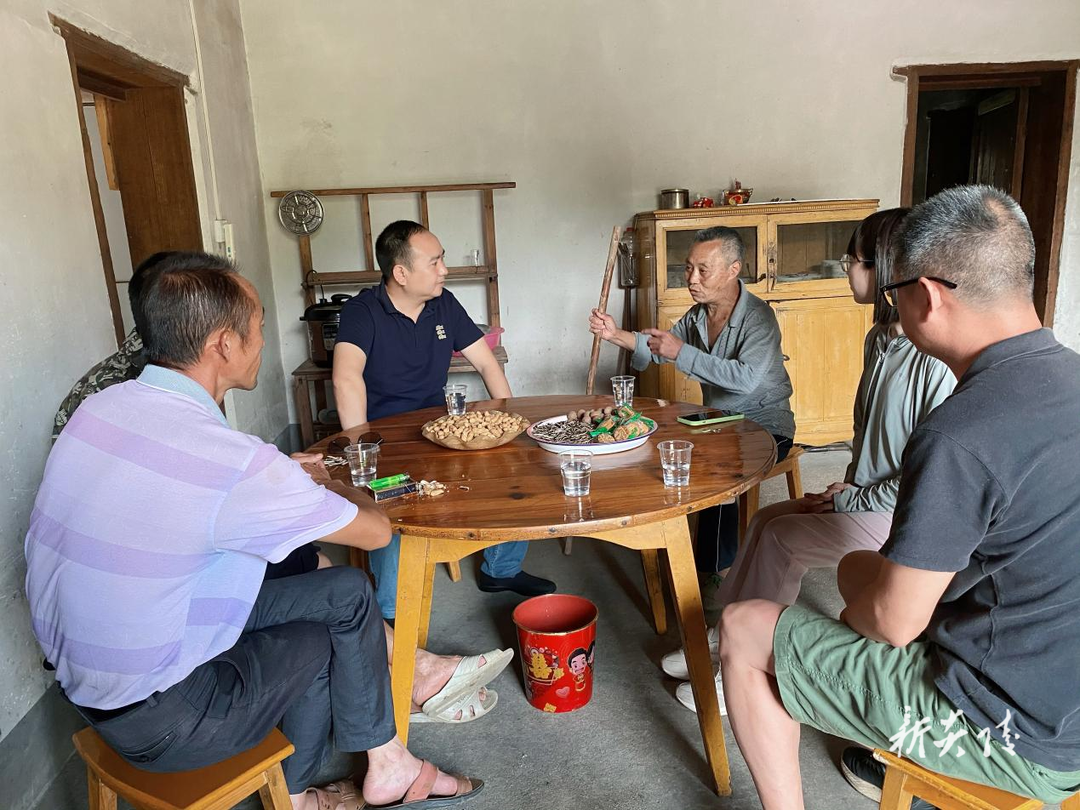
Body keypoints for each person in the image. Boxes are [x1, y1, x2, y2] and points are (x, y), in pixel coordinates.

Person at [27, 252, 499, 809]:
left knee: (338, 588)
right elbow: (375, 533)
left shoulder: (98, 409)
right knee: (325, 631)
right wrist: (328, 481)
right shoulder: (234, 460)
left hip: (87, 688)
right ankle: (315, 790)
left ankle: (393, 743)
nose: (263, 341)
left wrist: (278, 480)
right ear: (224, 344)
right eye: (257, 327)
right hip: (165, 723)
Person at [718, 186, 1080, 810]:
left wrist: (856, 630)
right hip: (1057, 677)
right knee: (858, 569)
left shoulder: (961, 430)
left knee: (744, 627)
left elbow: (894, 621)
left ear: (928, 296)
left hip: (1017, 735)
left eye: (894, 291)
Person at [662, 208, 955, 716]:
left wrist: (854, 498)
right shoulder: (881, 340)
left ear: (885, 268)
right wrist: (846, 489)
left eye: (851, 260)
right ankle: (727, 631)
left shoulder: (931, 360)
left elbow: (929, 479)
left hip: (898, 513)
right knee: (765, 520)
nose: (846, 269)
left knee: (782, 539)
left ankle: (748, 662)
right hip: (862, 494)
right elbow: (872, 446)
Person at [333, 220, 555, 615]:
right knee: (390, 505)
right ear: (401, 273)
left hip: (438, 427)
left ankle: (501, 570)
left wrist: (508, 423)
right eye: (434, 262)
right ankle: (391, 613)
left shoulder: (444, 304)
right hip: (384, 435)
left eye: (443, 260)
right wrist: (360, 448)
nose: (444, 270)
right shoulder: (362, 311)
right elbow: (346, 378)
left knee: (514, 470)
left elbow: (486, 363)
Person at [589, 226, 795, 599]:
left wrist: (680, 352)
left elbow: (745, 380)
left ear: (733, 270)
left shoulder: (759, 317)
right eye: (688, 268)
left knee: (719, 472)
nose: (691, 279)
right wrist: (616, 334)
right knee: (657, 450)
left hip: (765, 425)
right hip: (717, 422)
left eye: (703, 270)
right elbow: (659, 347)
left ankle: (714, 571)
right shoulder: (699, 315)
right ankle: (664, 540)